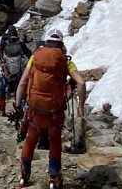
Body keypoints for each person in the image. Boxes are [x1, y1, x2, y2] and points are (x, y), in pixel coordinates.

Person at [15, 28, 85, 189]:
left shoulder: (35, 58)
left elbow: (23, 82)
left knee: (30, 140)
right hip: (55, 112)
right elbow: (81, 83)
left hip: (35, 111)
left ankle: (24, 177)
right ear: (61, 44)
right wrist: (80, 107)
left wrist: (18, 105)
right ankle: (53, 178)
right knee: (54, 141)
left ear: (46, 42)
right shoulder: (65, 61)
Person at [0, 26, 32, 116]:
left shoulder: (4, 44)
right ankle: (22, 111)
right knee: (20, 93)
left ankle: (2, 111)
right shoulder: (21, 44)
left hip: (5, 73)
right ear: (16, 34)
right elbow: (30, 55)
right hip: (18, 74)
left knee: (1, 93)